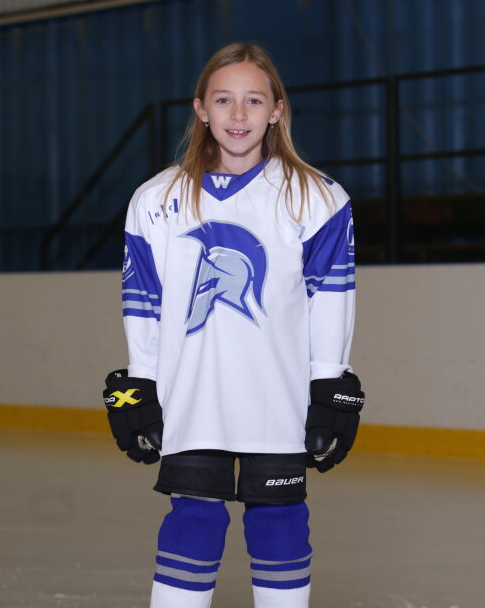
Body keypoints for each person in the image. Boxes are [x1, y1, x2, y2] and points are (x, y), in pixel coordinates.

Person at [103, 42, 364, 608]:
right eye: (223, 100)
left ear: (277, 110)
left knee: (279, 519)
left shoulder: (316, 197)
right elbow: (143, 300)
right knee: (192, 518)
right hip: (191, 395)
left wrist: (329, 381)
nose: (238, 114)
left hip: (278, 397)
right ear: (201, 109)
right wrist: (141, 378)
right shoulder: (155, 200)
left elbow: (331, 299)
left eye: (254, 100)